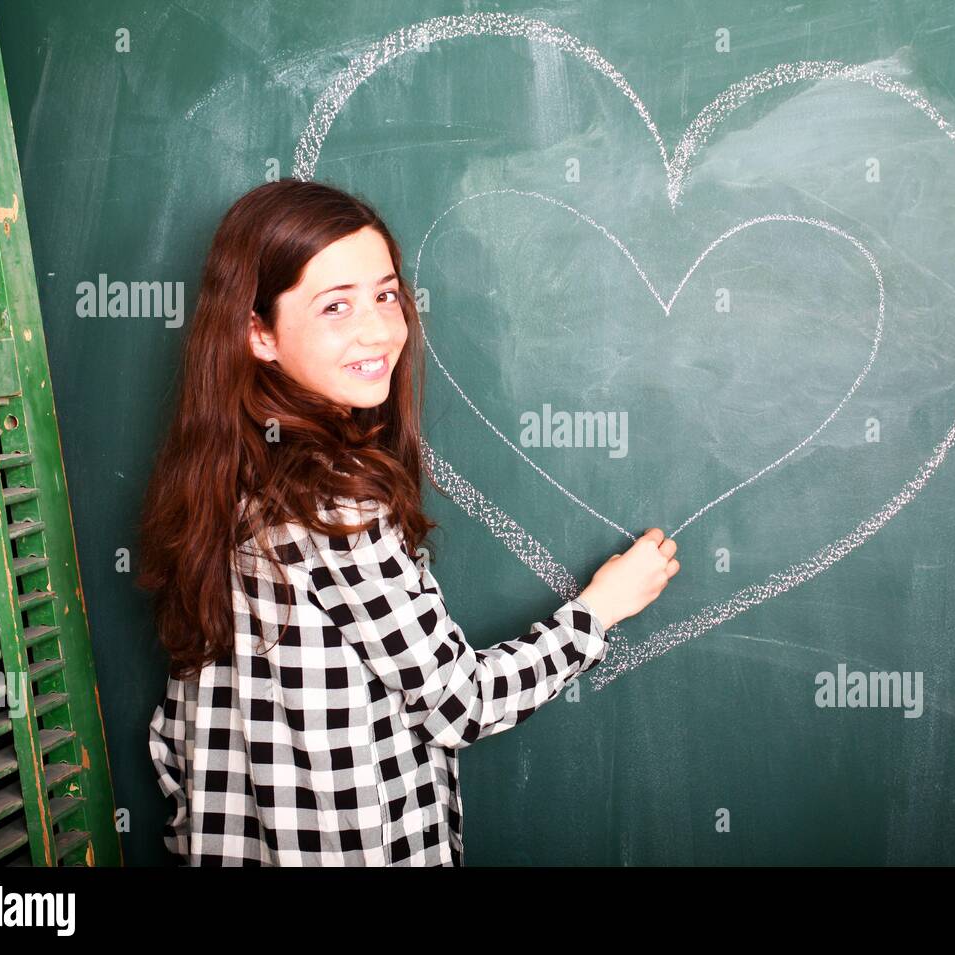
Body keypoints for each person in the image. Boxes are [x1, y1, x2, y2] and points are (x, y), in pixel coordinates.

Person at [137, 177, 679, 865]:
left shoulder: (223, 473)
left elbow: (172, 734)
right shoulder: (329, 505)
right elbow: (462, 705)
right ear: (259, 333)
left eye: (386, 294)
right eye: (335, 306)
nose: (379, 330)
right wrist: (601, 610)